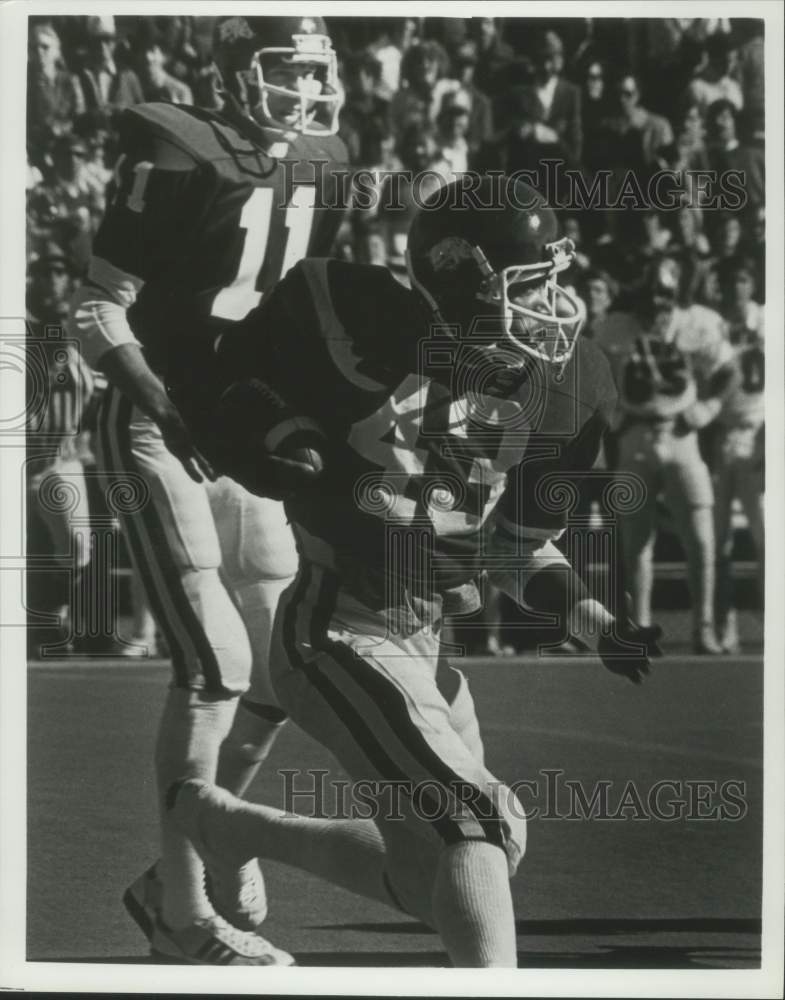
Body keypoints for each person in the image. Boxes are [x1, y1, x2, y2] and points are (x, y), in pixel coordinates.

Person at [159, 176, 660, 968]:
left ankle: (229, 826)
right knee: (475, 820)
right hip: (335, 625)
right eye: (529, 284)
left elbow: (510, 547)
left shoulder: (569, 383)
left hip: (425, 640)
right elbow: (222, 381)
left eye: (553, 281)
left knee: (448, 866)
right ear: (459, 275)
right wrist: (273, 434)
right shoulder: (343, 312)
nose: (553, 304)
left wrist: (601, 627)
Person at [68, 15, 347, 966]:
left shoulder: (322, 161)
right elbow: (93, 305)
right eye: (288, 67)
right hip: (155, 423)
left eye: (317, 68)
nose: (306, 88)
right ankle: (185, 918)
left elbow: (294, 305)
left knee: (279, 669)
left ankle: (195, 849)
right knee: (214, 665)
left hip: (239, 430)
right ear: (237, 72)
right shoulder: (177, 151)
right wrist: (162, 402)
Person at [593, 258, 738, 654]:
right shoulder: (614, 327)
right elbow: (590, 372)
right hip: (636, 437)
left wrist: (706, 409)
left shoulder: (697, 323)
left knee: (701, 541)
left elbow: (728, 369)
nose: (658, 310)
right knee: (635, 544)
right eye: (652, 300)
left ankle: (703, 627)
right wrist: (614, 415)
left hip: (681, 436)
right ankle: (639, 628)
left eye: (665, 301)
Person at [712, 260, 765, 653]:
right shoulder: (712, 324)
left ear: (754, 283)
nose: (736, 287)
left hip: (759, 437)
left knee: (767, 539)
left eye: (743, 279)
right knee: (719, 542)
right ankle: (724, 623)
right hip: (718, 436)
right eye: (730, 280)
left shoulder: (768, 320)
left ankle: (769, 620)